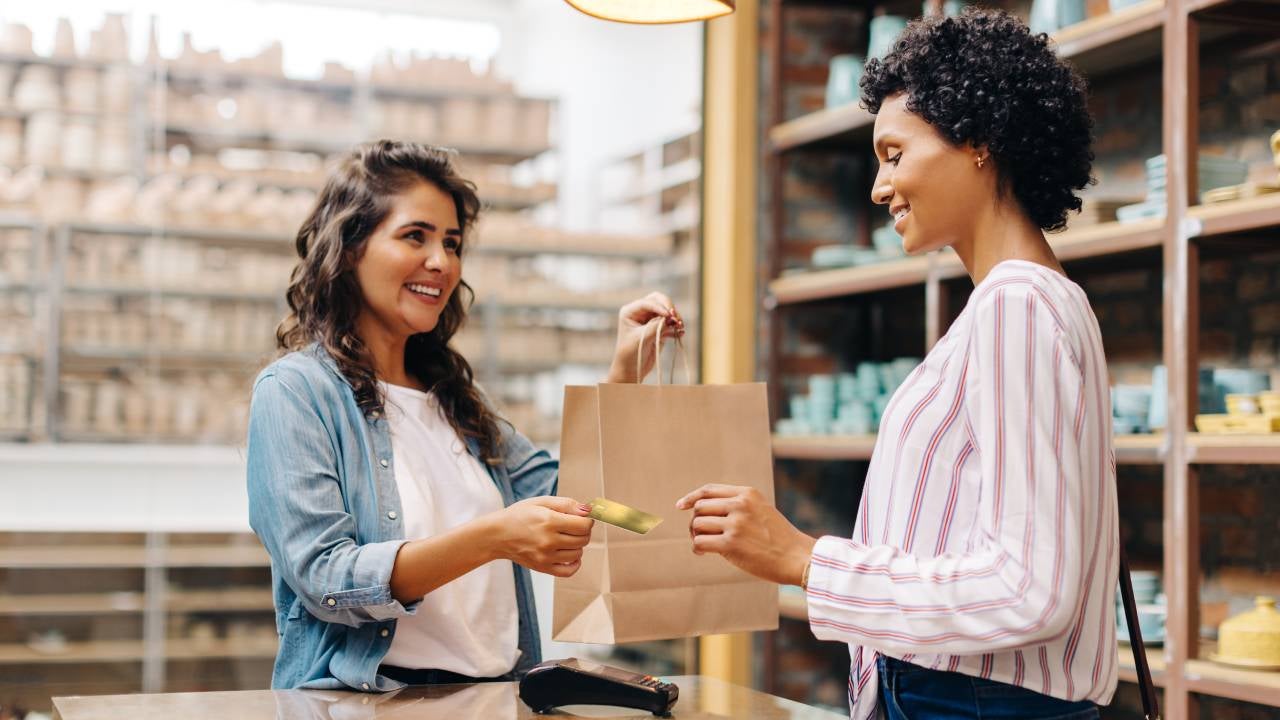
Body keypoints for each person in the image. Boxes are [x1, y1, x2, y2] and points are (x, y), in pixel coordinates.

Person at [679, 10, 1115, 719]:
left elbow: (1028, 589)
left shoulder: (1016, 307)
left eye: (894, 154)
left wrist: (803, 559)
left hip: (968, 703)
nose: (880, 189)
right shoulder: (1044, 301)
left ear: (977, 142)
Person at [247, 140, 684, 691]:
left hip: (496, 696)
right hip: (373, 702)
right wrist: (494, 537)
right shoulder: (296, 392)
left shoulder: (454, 398)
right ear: (351, 249)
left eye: (452, 243)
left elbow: (578, 498)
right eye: (415, 236)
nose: (442, 262)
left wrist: (626, 375)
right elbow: (325, 579)